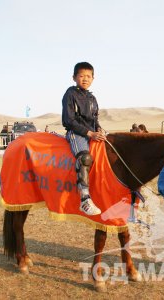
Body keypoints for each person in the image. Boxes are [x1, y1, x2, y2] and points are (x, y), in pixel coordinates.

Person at [62, 62, 106, 215]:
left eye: (88, 76)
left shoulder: (92, 98)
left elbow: (94, 119)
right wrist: (89, 133)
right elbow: (69, 120)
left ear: (93, 78)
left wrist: (99, 129)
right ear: (74, 77)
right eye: (81, 76)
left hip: (92, 133)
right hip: (77, 133)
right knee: (85, 159)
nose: (85, 79)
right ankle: (85, 199)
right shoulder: (70, 94)